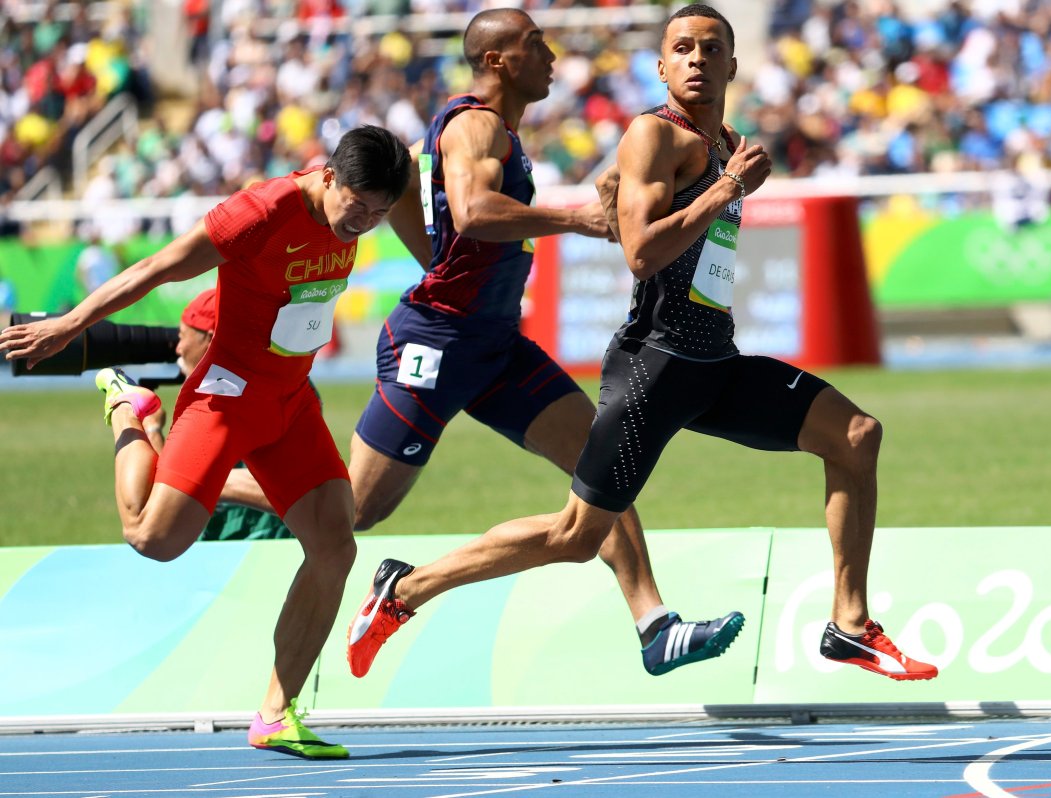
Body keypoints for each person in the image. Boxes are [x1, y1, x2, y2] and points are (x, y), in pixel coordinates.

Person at [350, 5, 938, 683]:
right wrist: (723, 191)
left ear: (732, 66)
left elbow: (650, 215)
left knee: (857, 434)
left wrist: (702, 181)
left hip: (715, 363)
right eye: (681, 48)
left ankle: (850, 626)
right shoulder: (653, 137)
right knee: (578, 538)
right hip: (654, 370)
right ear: (661, 67)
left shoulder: (729, 143)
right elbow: (640, 253)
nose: (695, 58)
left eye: (710, 48)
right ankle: (405, 591)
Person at [346, 7, 743, 681]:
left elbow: (430, 201)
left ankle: (654, 626)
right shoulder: (475, 123)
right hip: (439, 343)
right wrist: (577, 219)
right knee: (357, 508)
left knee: (602, 467)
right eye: (535, 45)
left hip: (495, 344)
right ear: (498, 59)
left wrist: (440, 256)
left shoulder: (501, 133)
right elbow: (471, 212)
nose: (552, 55)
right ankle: (199, 483)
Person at [0, 125, 412, 757]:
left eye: (379, 215)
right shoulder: (260, 213)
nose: (364, 224)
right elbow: (158, 267)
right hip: (228, 396)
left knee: (335, 542)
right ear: (329, 178)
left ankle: (277, 713)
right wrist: (71, 324)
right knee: (153, 538)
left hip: (291, 401)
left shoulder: (357, 193)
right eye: (357, 207)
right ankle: (131, 410)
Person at [141, 288, 293, 541]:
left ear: (211, 339)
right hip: (281, 545)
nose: (177, 348)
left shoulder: (214, 404)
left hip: (227, 548)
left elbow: (167, 493)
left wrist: (151, 429)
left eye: (181, 336)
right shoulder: (290, 386)